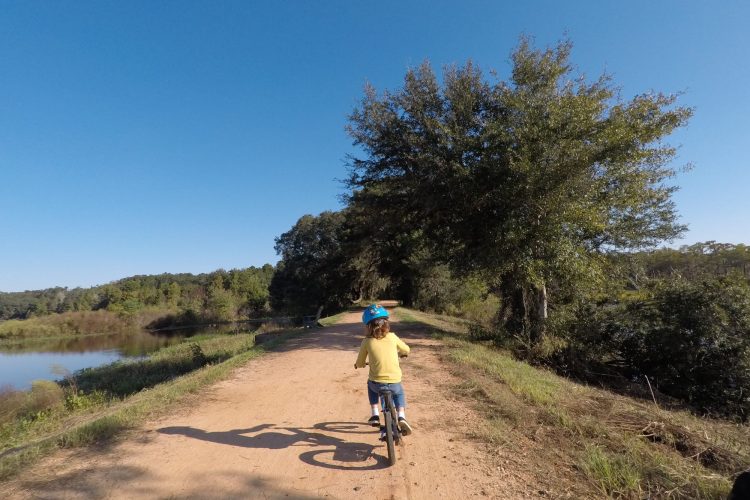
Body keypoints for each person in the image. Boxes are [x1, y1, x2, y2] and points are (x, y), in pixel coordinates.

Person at [354, 304, 413, 435]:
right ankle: (401, 416)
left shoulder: (367, 341)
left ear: (368, 326)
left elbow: (360, 362)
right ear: (386, 323)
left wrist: (359, 365)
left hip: (377, 384)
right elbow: (406, 349)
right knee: (399, 393)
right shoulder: (392, 337)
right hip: (394, 382)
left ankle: (375, 413)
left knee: (370, 385)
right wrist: (402, 353)